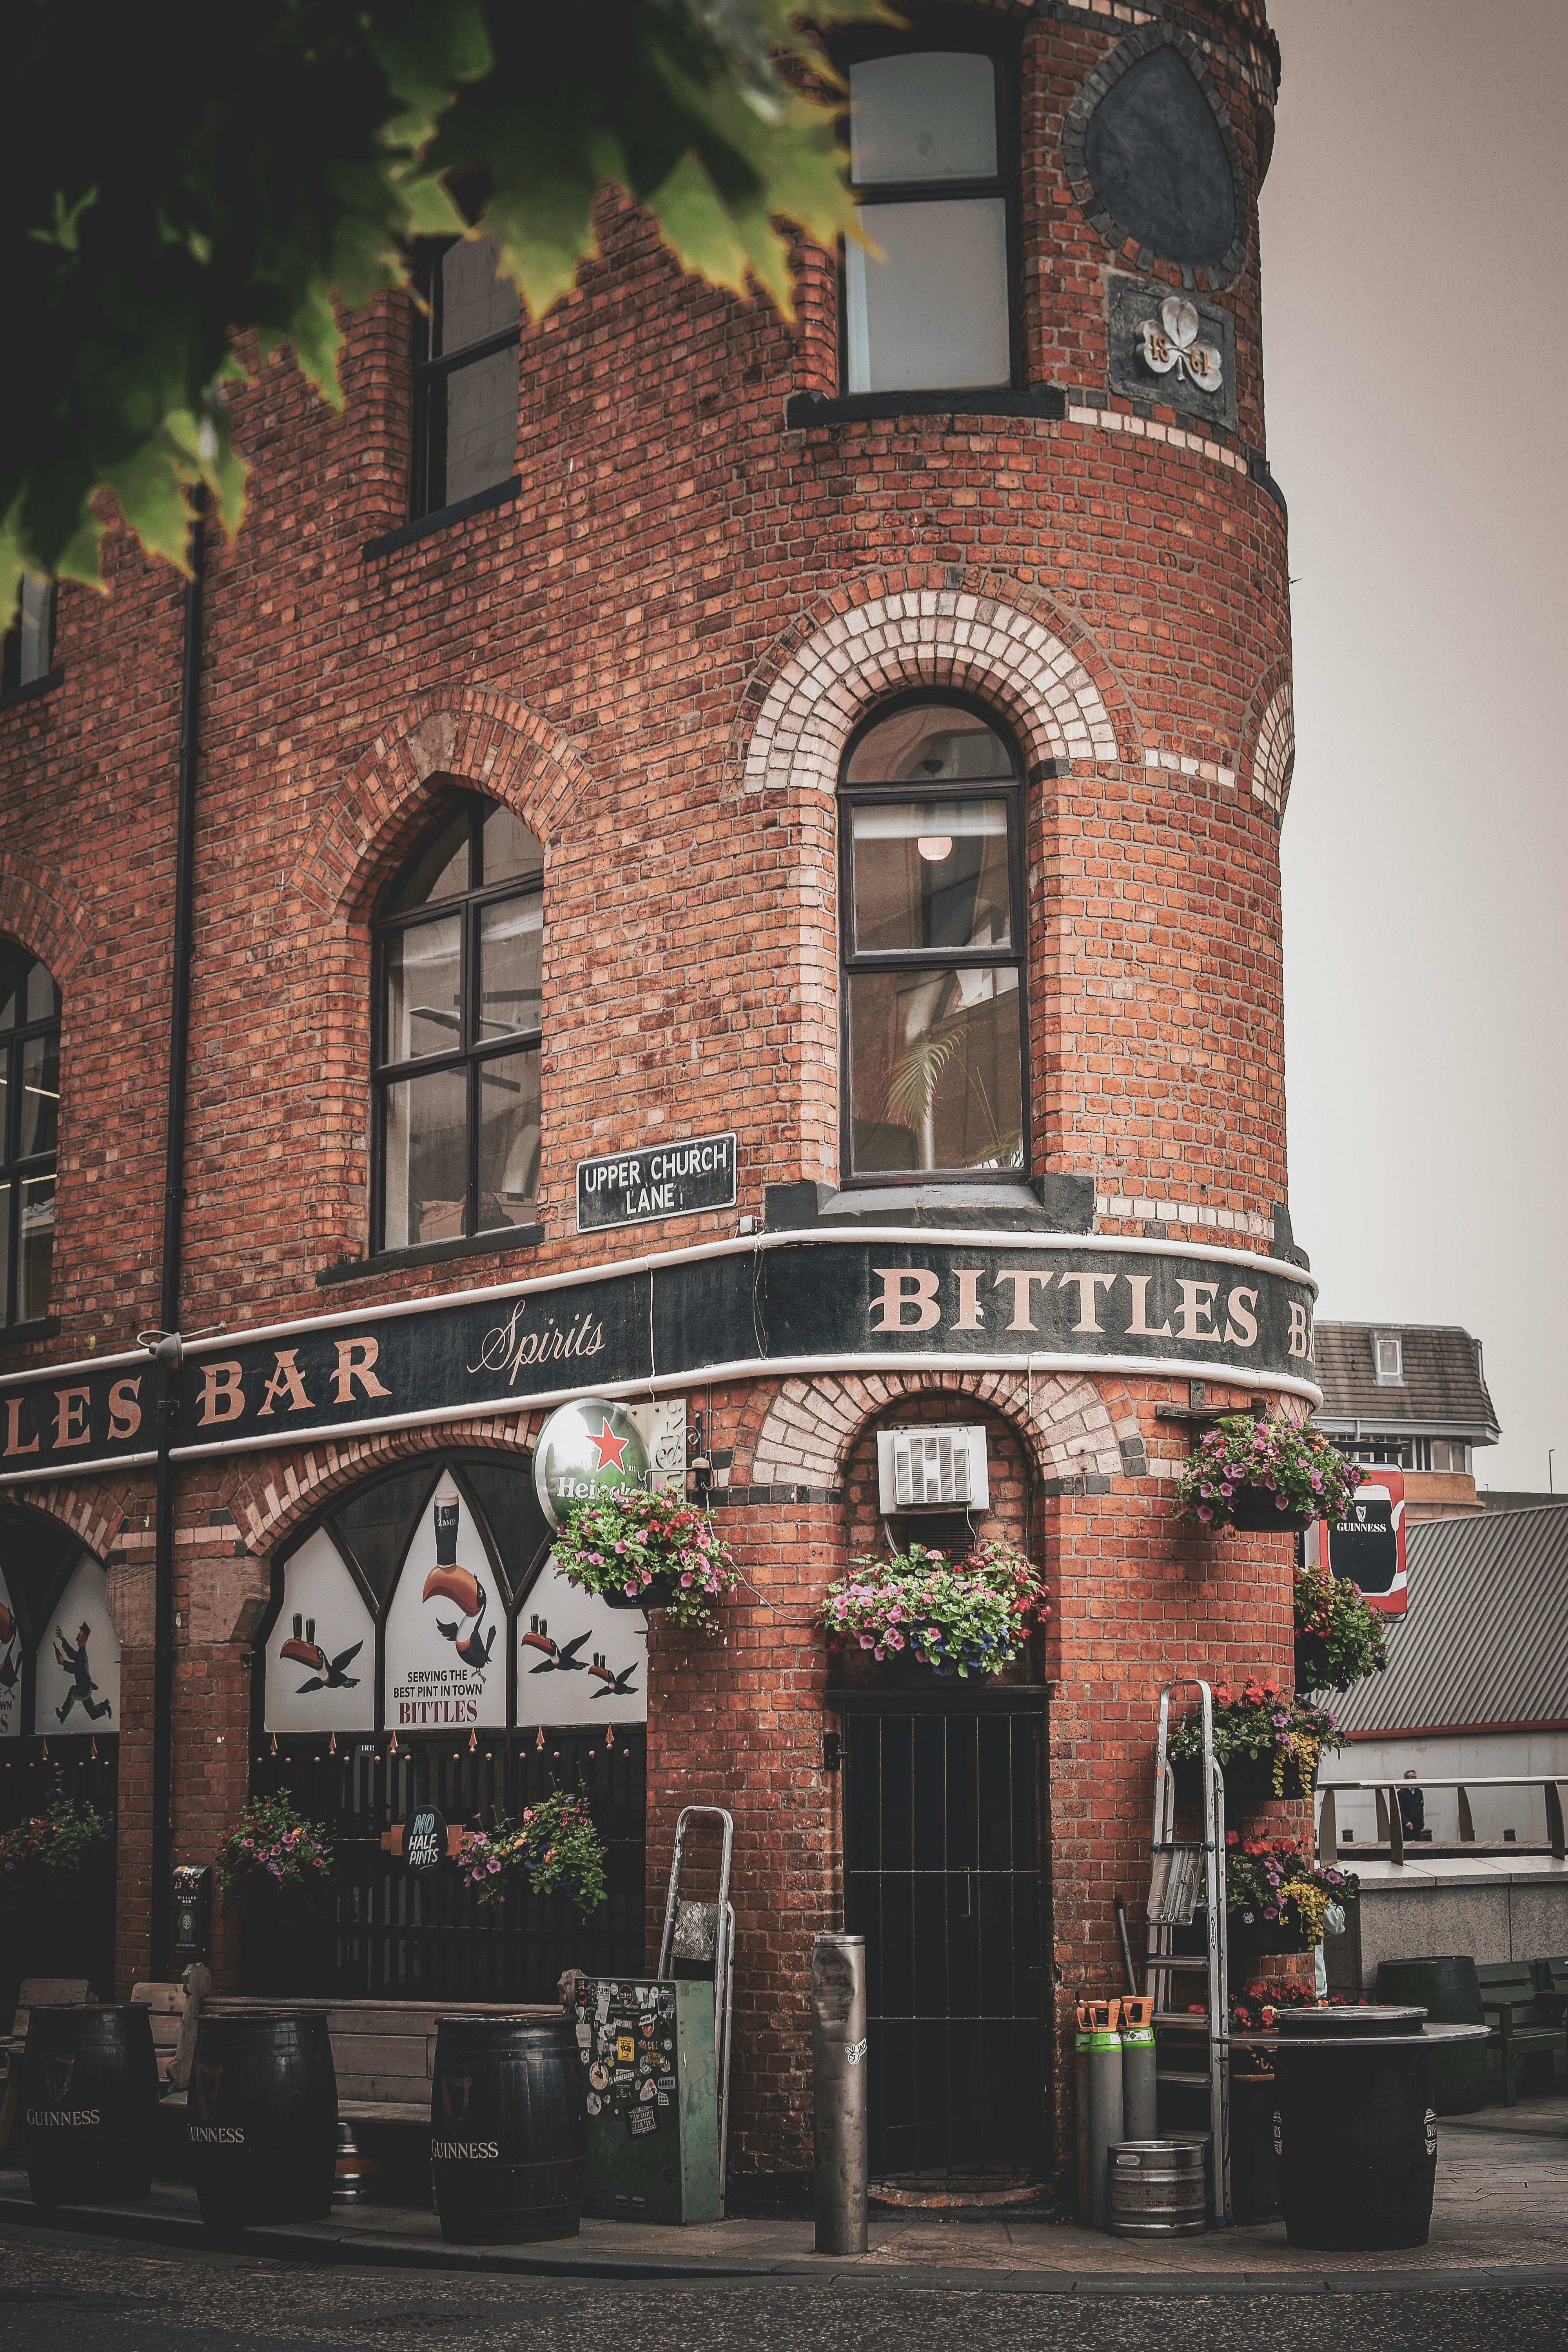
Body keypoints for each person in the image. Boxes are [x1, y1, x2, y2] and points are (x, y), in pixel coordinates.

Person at [54, 1620, 112, 1723]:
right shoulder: (80, 1654)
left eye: (80, 1633)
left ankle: (64, 1714)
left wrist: (63, 1663)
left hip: (84, 1688)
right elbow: (71, 1654)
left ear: (84, 1638)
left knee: (73, 1691)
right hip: (85, 1687)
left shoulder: (83, 1657)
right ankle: (104, 1707)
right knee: (93, 1713)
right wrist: (63, 1639)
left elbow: (75, 1668)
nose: (78, 1635)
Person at [1397, 1767, 1426, 1840]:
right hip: (1407, 1826)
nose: (1414, 1779)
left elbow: (1421, 1808)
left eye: (1415, 1777)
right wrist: (1407, 1822)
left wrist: (1422, 1823)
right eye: (1412, 1777)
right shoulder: (1401, 1793)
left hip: (1418, 1825)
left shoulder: (1419, 1792)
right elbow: (1400, 1810)